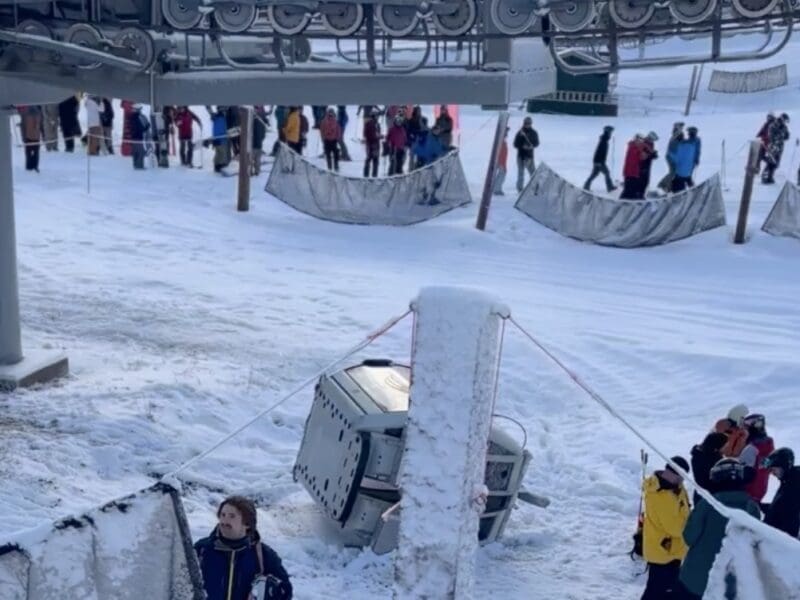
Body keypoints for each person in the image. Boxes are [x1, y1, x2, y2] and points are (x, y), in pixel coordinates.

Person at [677, 458, 761, 600]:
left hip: (696, 580)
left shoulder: (707, 505)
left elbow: (689, 537)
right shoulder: (752, 508)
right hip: (731, 583)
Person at [195, 496, 292, 600]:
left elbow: (285, 591)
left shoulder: (263, 555)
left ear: (247, 524)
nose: (224, 521)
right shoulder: (202, 549)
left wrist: (271, 591)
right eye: (222, 515)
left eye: (232, 516)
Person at [640, 456, 691, 599]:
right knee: (655, 591)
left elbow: (685, 508)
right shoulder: (660, 495)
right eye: (681, 477)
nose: (682, 481)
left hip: (673, 550)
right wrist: (691, 525)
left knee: (666, 588)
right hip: (662, 551)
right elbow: (675, 528)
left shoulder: (676, 487)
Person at [763, 447, 800, 538]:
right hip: (777, 537)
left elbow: (789, 513)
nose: (772, 473)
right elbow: (780, 507)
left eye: (774, 469)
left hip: (782, 540)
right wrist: (760, 505)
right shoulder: (787, 482)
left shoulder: (794, 484)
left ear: (784, 466)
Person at [738, 413, 775, 504]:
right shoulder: (769, 445)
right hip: (760, 491)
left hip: (746, 493)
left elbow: (743, 473)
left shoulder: (751, 449)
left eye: (747, 427)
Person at [690, 433, 728, 505]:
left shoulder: (713, 456)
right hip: (707, 496)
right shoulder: (704, 458)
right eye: (724, 446)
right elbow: (704, 481)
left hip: (710, 494)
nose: (726, 448)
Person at [583, 125, 616, 193]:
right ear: (608, 132)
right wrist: (598, 162)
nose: (611, 134)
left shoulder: (604, 140)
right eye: (611, 132)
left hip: (599, 161)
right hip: (600, 161)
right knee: (606, 173)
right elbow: (599, 152)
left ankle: (586, 186)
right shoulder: (604, 140)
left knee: (594, 174)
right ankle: (610, 187)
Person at [513, 116, 539, 192]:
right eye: (526, 123)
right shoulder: (520, 133)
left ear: (531, 124)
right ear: (524, 123)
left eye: (529, 123)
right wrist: (522, 146)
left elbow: (537, 143)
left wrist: (532, 146)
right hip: (521, 156)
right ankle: (520, 189)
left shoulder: (534, 132)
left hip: (529, 156)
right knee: (520, 173)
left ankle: (535, 188)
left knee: (533, 173)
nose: (527, 125)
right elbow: (515, 144)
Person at [762, 113, 790, 184]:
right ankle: (765, 177)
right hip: (773, 146)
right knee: (770, 162)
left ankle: (770, 177)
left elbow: (787, 136)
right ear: (782, 119)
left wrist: (786, 135)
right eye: (785, 121)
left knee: (776, 164)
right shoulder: (773, 125)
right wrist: (779, 137)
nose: (785, 123)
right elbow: (771, 136)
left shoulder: (784, 127)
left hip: (780, 147)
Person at [659, 122, 684, 192]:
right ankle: (663, 185)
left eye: (681, 127)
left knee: (674, 172)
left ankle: (666, 185)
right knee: (673, 172)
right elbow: (676, 138)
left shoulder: (679, 134)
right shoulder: (676, 134)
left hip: (673, 156)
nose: (682, 128)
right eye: (680, 126)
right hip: (671, 156)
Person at [621, 134, 645, 199]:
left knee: (632, 188)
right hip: (630, 171)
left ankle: (631, 199)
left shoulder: (636, 147)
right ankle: (623, 200)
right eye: (639, 140)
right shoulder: (633, 147)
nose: (640, 142)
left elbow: (641, 158)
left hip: (634, 171)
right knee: (628, 188)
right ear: (636, 139)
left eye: (641, 141)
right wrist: (641, 150)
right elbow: (637, 157)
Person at [19, 105, 42, 172]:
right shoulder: (38, 112)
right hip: (35, 136)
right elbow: (40, 125)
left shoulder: (25, 113)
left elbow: (22, 126)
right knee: (35, 152)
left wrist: (23, 136)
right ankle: (34, 166)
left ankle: (29, 166)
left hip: (28, 136)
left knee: (29, 152)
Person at [319, 107, 342, 172]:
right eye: (329, 113)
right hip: (327, 140)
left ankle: (336, 166)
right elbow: (322, 130)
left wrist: (338, 137)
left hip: (334, 140)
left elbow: (338, 130)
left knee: (336, 154)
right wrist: (323, 138)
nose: (331, 115)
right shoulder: (324, 121)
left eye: (332, 113)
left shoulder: (335, 121)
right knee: (328, 154)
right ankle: (329, 168)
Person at [128, 104, 150, 170]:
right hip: (138, 137)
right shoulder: (137, 117)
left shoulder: (131, 117)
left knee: (135, 152)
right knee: (140, 152)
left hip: (133, 137)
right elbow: (141, 128)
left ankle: (135, 164)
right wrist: (147, 127)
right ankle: (139, 165)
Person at [639, 132, 659, 197]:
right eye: (653, 139)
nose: (653, 141)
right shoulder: (644, 143)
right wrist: (651, 155)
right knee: (642, 181)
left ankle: (642, 194)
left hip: (647, 164)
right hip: (642, 165)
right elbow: (642, 155)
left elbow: (650, 152)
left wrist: (654, 154)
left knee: (646, 181)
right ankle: (639, 195)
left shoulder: (651, 143)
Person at [363, 110, 381, 178]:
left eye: (378, 116)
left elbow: (377, 133)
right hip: (370, 144)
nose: (378, 117)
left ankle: (374, 176)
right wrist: (378, 136)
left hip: (376, 145)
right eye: (377, 116)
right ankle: (366, 176)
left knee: (375, 160)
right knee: (369, 159)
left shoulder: (377, 124)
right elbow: (368, 135)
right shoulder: (369, 124)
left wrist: (379, 136)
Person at [251, 105, 268, 176]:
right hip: (259, 143)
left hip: (254, 143)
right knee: (257, 159)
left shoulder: (253, 120)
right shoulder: (261, 120)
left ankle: (251, 171)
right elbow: (264, 133)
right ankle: (257, 171)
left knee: (252, 158)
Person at [493, 127, 509, 196]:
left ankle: (496, 188)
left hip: (501, 161)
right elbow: (500, 153)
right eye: (506, 132)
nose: (507, 134)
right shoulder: (501, 141)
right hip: (500, 161)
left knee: (501, 174)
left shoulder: (502, 141)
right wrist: (502, 163)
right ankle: (497, 189)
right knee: (502, 174)